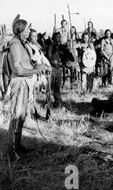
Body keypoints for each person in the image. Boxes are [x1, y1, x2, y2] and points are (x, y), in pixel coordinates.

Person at [6, 16, 46, 159]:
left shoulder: (20, 43)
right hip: (19, 83)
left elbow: (24, 64)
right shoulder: (15, 45)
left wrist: (35, 67)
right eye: (28, 28)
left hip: (24, 83)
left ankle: (18, 146)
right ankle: (12, 152)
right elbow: (18, 71)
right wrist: (37, 70)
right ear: (21, 30)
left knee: (21, 116)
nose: (29, 30)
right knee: (16, 116)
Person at [46, 32, 74, 108]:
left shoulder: (59, 46)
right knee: (50, 87)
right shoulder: (51, 46)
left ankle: (58, 103)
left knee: (57, 87)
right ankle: (48, 104)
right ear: (54, 37)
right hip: (52, 68)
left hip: (58, 68)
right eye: (57, 37)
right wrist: (54, 63)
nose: (59, 38)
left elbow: (69, 57)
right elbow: (48, 57)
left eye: (60, 37)